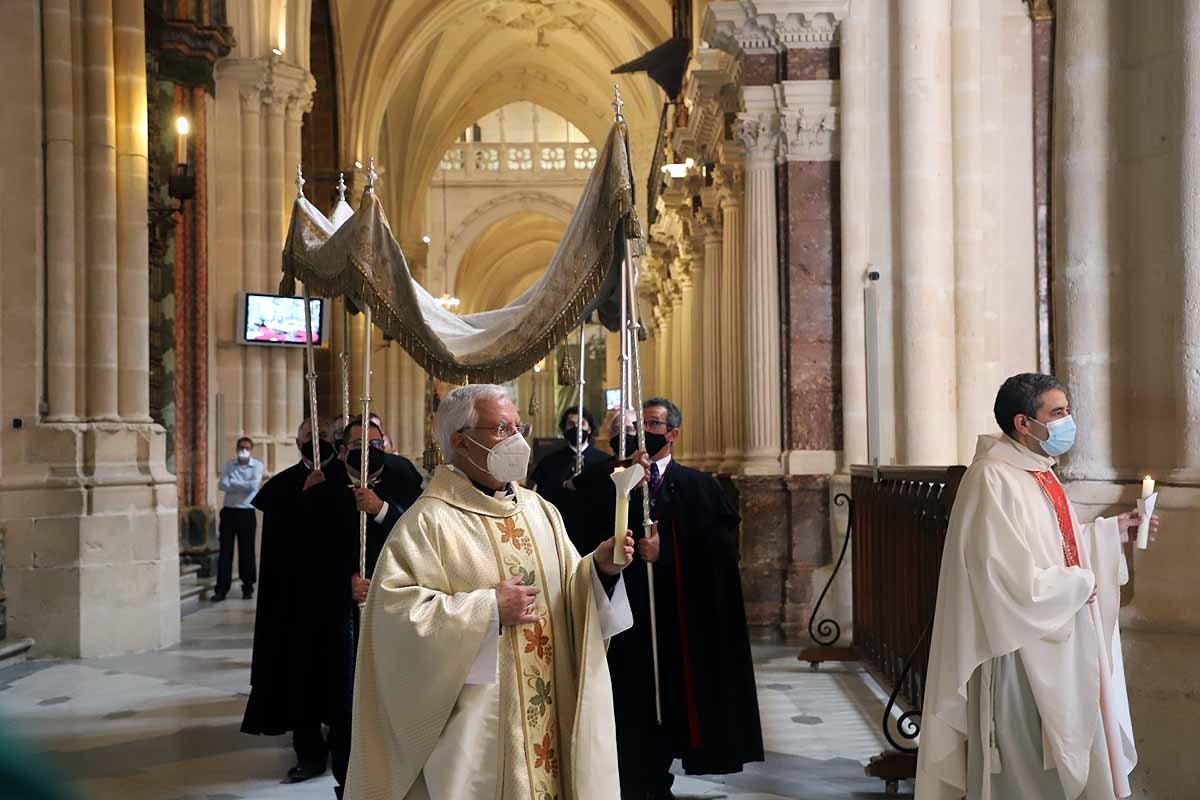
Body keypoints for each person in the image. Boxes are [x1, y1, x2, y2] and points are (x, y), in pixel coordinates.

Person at [344, 384, 636, 800]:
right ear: (461, 441)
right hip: (480, 734)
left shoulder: (541, 511)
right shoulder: (429, 523)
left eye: (519, 427)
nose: (517, 440)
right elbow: (395, 618)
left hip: (550, 714)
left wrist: (600, 569)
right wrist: (488, 609)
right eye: (502, 429)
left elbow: (569, 594)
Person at [916, 373, 1160, 800]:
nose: (1069, 421)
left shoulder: (1037, 471)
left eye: (1068, 410)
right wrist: (1081, 581)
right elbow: (1002, 574)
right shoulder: (992, 478)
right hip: (1017, 647)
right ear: (1024, 423)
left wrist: (1108, 534)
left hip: (1060, 636)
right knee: (1024, 764)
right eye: (1058, 413)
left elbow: (1053, 545)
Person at [574, 398, 763, 799]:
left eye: (655, 423)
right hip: (622, 621)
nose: (644, 431)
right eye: (639, 423)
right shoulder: (605, 480)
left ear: (673, 434)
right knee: (627, 705)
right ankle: (635, 781)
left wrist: (667, 551)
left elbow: (722, 552)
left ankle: (660, 776)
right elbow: (579, 533)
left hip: (679, 624)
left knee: (673, 708)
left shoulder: (699, 487)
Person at [241, 418, 342, 784]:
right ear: (298, 442)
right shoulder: (282, 486)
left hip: (338, 599)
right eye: (309, 439)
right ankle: (309, 752)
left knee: (339, 680)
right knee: (301, 679)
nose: (316, 444)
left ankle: (342, 745)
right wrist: (304, 497)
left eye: (325, 439)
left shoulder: (349, 480)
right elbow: (281, 549)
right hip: (297, 603)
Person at [529, 405, 608, 543]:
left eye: (581, 424)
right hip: (560, 531)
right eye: (571, 424)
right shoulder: (549, 462)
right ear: (564, 429)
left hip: (596, 531)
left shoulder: (605, 461)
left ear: (589, 429)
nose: (576, 428)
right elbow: (542, 498)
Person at [212, 436, 264, 601]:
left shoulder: (257, 465)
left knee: (247, 551)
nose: (244, 450)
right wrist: (242, 483)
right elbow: (222, 484)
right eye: (241, 447)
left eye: (247, 448)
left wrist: (234, 482)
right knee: (225, 552)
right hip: (229, 512)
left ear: (251, 449)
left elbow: (253, 486)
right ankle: (221, 589)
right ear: (236, 448)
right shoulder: (229, 465)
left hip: (246, 512)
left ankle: (247, 587)